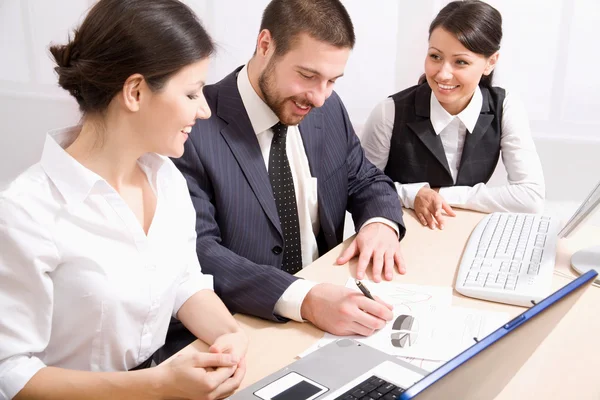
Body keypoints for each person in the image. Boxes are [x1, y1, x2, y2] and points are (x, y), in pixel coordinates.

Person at [0, 0, 247, 398]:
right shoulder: (25, 212)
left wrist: (231, 335)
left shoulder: (166, 178)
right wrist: (156, 385)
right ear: (134, 91)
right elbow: (10, 372)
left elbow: (183, 281)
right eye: (192, 93)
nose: (203, 110)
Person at [171, 0, 406, 348]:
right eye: (308, 76)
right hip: (244, 329)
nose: (320, 97)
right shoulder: (192, 125)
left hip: (333, 315)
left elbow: (365, 179)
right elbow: (198, 252)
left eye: (332, 81)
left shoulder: (327, 109)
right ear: (265, 45)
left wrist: (379, 225)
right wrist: (305, 299)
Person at [361, 0, 545, 230]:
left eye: (460, 62)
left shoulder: (506, 108)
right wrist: (412, 195)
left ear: (490, 62)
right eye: (435, 57)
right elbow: (361, 187)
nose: (443, 74)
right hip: (402, 234)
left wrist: (441, 194)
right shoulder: (390, 112)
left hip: (465, 234)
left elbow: (531, 197)